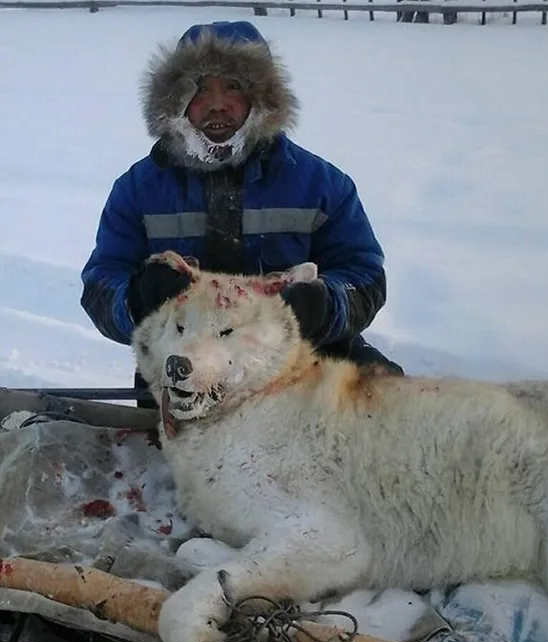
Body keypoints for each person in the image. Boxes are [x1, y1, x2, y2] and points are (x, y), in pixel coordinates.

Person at [81, 20, 403, 407]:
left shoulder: (322, 184)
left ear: (262, 98)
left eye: (233, 86)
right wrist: (138, 299)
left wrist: (322, 306)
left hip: (302, 378)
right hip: (183, 376)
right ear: (175, 100)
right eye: (200, 88)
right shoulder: (137, 189)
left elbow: (365, 279)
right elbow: (101, 285)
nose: (217, 103)